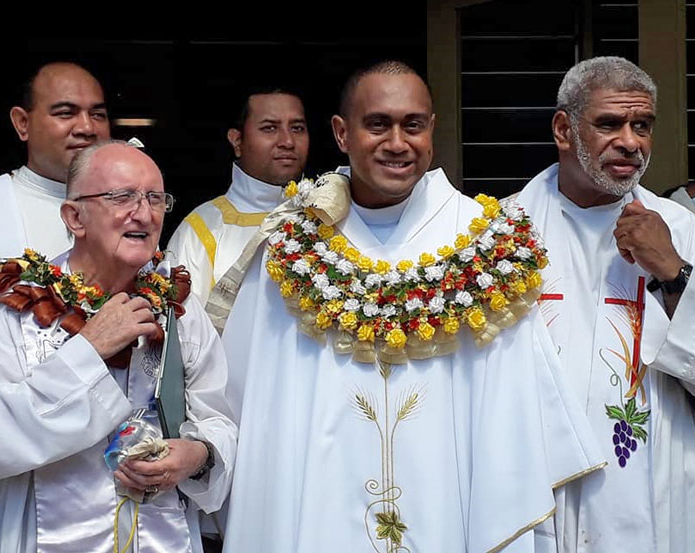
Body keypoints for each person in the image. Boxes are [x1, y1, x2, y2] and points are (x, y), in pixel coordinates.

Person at [218, 61, 604, 553]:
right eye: (377, 124)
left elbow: (514, 415)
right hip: (319, 515)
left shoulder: (483, 242)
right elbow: (256, 408)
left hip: (451, 512)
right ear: (341, 133)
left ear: (431, 131)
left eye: (413, 125)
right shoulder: (293, 245)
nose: (397, 142)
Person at [0, 141, 236, 552]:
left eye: (155, 198)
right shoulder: (15, 305)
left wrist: (197, 455)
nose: (144, 212)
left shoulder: (178, 306)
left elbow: (219, 419)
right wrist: (88, 349)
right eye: (122, 197)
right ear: (74, 216)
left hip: (161, 535)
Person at [517, 56, 695, 552]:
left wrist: (673, 271)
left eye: (641, 125)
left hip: (655, 485)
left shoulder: (683, 231)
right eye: (609, 124)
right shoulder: (503, 232)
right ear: (563, 128)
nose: (630, 141)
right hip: (538, 488)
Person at [0, 61, 111, 541]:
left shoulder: (131, 213)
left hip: (114, 489)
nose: (86, 127)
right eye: (66, 112)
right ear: (22, 123)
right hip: (4, 482)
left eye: (98, 114)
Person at [167, 87, 309, 305]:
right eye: (270, 128)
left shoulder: (327, 216)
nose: (288, 141)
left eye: (297, 128)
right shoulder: (201, 228)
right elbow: (183, 331)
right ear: (237, 141)